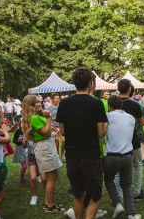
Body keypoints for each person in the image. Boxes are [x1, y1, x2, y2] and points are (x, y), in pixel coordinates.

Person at [57, 67, 107, 218]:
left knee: (78, 194)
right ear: (91, 83)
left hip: (72, 155)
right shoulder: (97, 103)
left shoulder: (64, 103)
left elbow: (63, 131)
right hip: (90, 156)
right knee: (95, 196)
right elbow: (101, 133)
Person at [22, 95, 64, 212]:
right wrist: (49, 118)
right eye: (36, 102)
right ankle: (50, 206)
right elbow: (45, 132)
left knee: (53, 176)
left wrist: (44, 114)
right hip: (44, 146)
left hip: (47, 145)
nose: (39, 104)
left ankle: (48, 202)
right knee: (51, 178)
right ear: (30, 105)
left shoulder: (37, 115)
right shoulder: (33, 118)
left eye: (39, 102)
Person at [104, 95, 142, 219]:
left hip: (112, 156)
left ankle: (117, 203)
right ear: (121, 105)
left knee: (109, 179)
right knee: (126, 185)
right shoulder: (131, 118)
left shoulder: (107, 116)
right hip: (128, 156)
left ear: (109, 106)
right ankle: (131, 213)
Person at [117, 79, 144, 202]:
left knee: (119, 169)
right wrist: (133, 129)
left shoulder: (114, 104)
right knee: (137, 165)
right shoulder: (135, 104)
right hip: (133, 140)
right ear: (130, 89)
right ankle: (136, 192)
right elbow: (142, 122)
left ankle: (120, 195)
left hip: (117, 140)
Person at [22, 136, 47, 206]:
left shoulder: (40, 133)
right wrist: (26, 141)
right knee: (33, 178)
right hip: (31, 157)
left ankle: (47, 195)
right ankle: (34, 196)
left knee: (44, 178)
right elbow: (24, 146)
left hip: (41, 156)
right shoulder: (27, 134)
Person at [47, 93, 66, 162]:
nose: (58, 100)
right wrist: (55, 118)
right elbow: (48, 119)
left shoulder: (60, 107)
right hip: (53, 127)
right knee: (56, 142)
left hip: (61, 126)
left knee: (64, 141)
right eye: (56, 98)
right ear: (52, 99)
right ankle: (57, 156)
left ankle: (62, 155)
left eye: (58, 98)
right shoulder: (49, 108)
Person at [12, 120, 27, 186]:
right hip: (20, 149)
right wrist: (18, 140)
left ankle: (31, 179)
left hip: (27, 149)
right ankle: (21, 180)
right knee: (24, 166)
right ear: (20, 124)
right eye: (22, 123)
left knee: (31, 166)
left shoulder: (28, 131)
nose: (23, 124)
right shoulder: (18, 131)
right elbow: (13, 141)